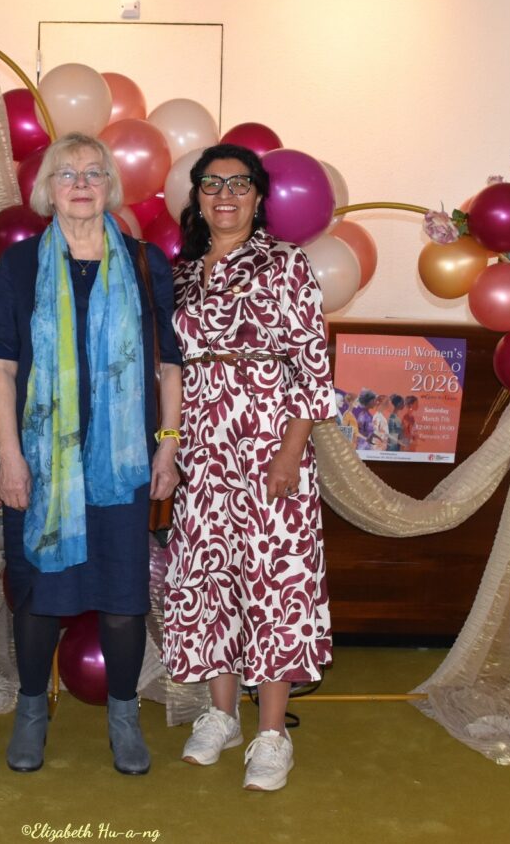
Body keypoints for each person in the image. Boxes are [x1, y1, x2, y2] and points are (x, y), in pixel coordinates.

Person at [0, 132, 181, 775]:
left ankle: (123, 716)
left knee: (124, 599)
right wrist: (10, 457)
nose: (80, 184)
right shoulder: (20, 266)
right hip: (45, 466)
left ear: (110, 187)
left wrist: (167, 447)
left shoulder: (145, 263)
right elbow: (2, 368)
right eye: (66, 173)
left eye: (94, 173)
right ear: (48, 188)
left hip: (122, 466)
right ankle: (31, 712)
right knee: (40, 596)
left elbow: (170, 365)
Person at [162, 143, 337, 793]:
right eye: (212, 184)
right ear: (197, 197)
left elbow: (313, 367)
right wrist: (173, 444)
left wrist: (290, 452)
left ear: (259, 197)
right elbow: (172, 365)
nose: (225, 195)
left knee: (273, 583)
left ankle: (271, 733)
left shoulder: (286, 263)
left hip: (268, 444)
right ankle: (221, 715)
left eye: (239, 184)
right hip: (204, 447)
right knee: (209, 578)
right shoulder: (183, 273)